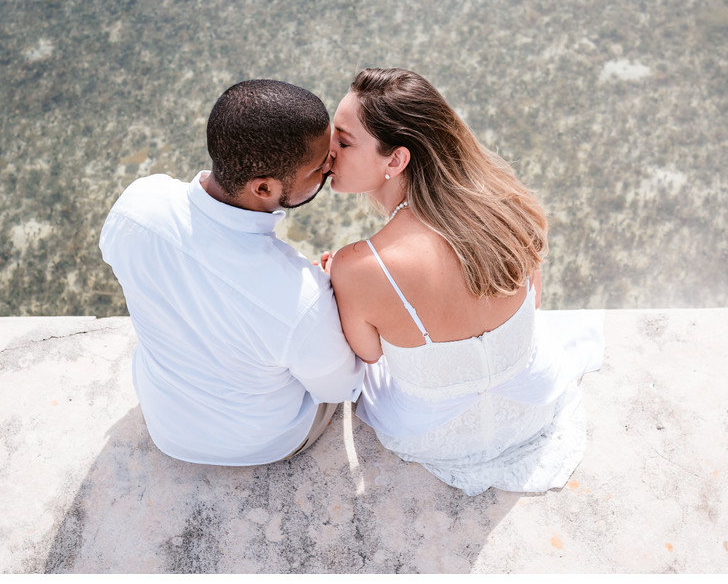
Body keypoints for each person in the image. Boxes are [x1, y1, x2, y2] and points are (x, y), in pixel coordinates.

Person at [325, 68, 604, 496]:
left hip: (432, 436)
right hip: (531, 408)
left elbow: (368, 354)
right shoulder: (508, 205)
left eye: (343, 141)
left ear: (396, 160)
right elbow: (534, 305)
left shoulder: (358, 266)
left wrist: (332, 282)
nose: (327, 151)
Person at [100, 79, 364, 466]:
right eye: (319, 169)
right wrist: (334, 296)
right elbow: (340, 386)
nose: (330, 166)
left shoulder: (136, 206)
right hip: (262, 441)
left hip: (165, 424)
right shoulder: (302, 300)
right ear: (263, 188)